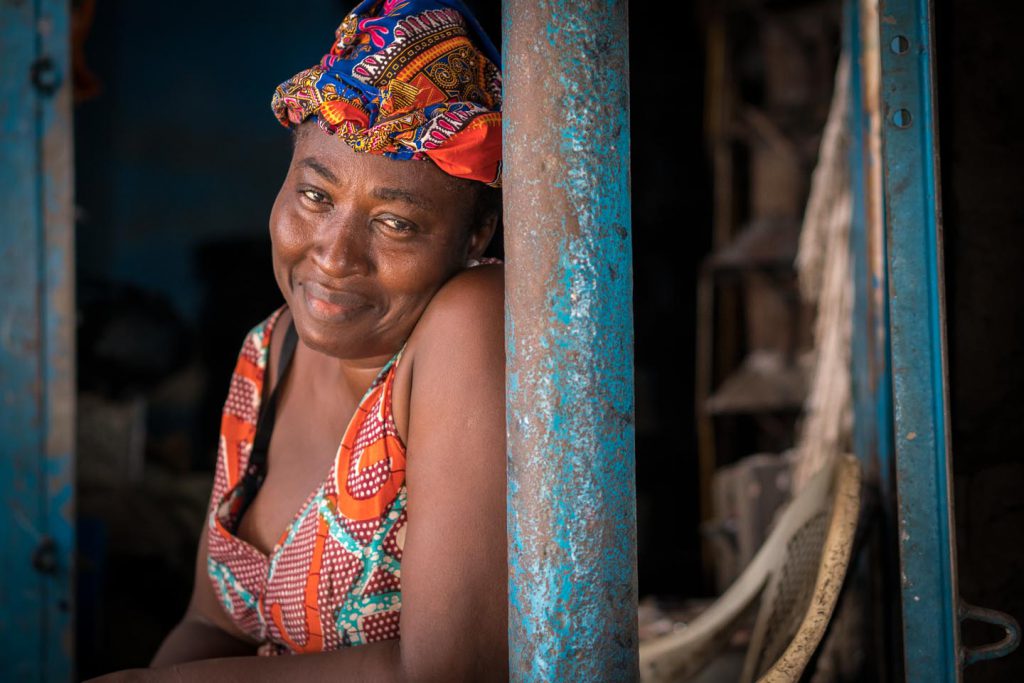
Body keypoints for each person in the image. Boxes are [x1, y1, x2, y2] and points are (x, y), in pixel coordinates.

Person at [87, 0, 507, 680]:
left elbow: (448, 669)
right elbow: (212, 619)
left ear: (475, 235)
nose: (335, 255)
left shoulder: (471, 318)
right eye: (316, 196)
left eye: (396, 223)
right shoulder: (269, 352)